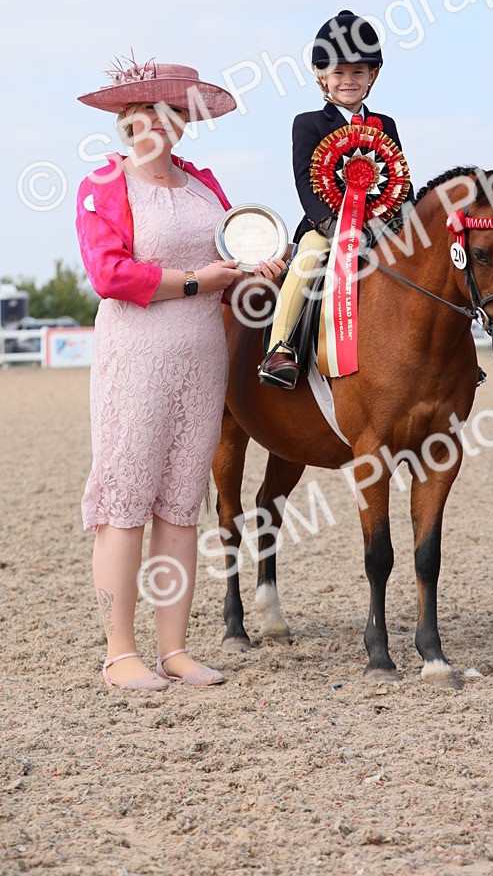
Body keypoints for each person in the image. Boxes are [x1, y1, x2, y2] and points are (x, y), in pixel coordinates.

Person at [76, 57, 284, 691]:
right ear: (130, 121)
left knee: (179, 505)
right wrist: (197, 280)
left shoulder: (205, 188)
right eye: (156, 113)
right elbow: (109, 275)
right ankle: (119, 651)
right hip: (135, 357)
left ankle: (173, 648)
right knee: (126, 502)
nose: (169, 125)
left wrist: (255, 274)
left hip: (200, 357)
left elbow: (230, 262)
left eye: (179, 114)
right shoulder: (104, 187)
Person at [259, 9, 411, 389]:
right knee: (309, 257)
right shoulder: (307, 123)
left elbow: (399, 179)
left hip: (381, 227)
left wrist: (407, 221)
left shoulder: (386, 125)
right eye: (338, 73)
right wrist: (332, 225)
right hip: (324, 227)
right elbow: (304, 183)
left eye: (358, 72)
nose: (348, 81)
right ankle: (281, 346)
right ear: (321, 77)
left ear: (372, 76)